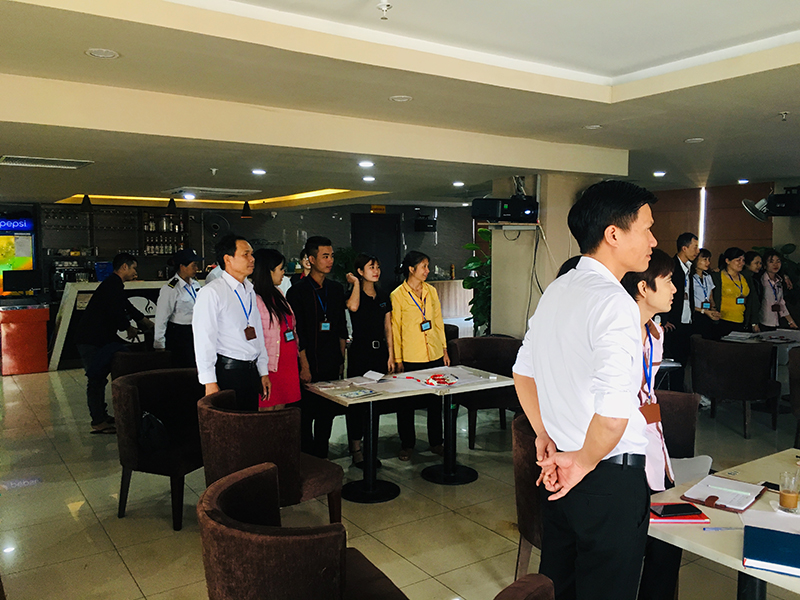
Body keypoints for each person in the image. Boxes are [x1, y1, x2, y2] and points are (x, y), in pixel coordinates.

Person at [513, 180, 657, 600]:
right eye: (646, 228)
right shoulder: (615, 303)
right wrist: (584, 461)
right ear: (613, 234)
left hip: (562, 470)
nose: (653, 240)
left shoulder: (558, 289)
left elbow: (523, 374)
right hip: (604, 476)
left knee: (560, 587)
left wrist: (545, 433)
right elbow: (612, 417)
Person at [620, 249, 683, 600]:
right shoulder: (617, 333)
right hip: (621, 452)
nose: (674, 289)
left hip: (653, 445)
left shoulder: (655, 332)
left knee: (670, 539)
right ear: (644, 288)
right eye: (668, 280)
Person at [75, 253, 153, 434]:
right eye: (133, 268)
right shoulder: (112, 285)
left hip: (97, 339)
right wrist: (128, 328)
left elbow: (126, 306)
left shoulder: (113, 284)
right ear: (124, 267)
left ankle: (102, 415)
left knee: (100, 378)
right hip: (90, 340)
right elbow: (116, 310)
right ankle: (98, 421)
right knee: (96, 379)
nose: (135, 273)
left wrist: (145, 322)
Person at [192, 234, 270, 410]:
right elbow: (204, 340)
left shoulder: (249, 290)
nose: (252, 259)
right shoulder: (212, 292)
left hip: (251, 370)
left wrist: (263, 371)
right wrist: (209, 381)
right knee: (230, 424)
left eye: (252, 254)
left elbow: (258, 332)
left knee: (250, 422)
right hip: (228, 371)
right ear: (228, 259)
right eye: (245, 254)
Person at [286, 236, 348, 458]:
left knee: (327, 412)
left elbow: (341, 327)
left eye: (331, 256)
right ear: (311, 259)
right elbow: (298, 333)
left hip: (331, 359)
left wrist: (341, 359)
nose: (330, 261)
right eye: (325, 256)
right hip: (308, 361)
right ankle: (306, 457)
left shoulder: (336, 289)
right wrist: (304, 366)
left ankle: (322, 454)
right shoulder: (297, 291)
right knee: (306, 413)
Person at [390, 251, 447, 461]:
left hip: (433, 353)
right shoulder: (398, 294)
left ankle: (436, 442)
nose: (427, 271)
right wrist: (398, 359)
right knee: (406, 403)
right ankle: (407, 444)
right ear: (411, 269)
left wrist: (444, 349)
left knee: (435, 401)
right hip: (411, 356)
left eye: (427, 266)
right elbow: (396, 329)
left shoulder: (431, 291)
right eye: (423, 266)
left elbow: (438, 321)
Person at [346, 253, 395, 467]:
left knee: (375, 401)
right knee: (357, 402)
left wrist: (391, 354)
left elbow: (388, 327)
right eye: (371, 267)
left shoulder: (383, 295)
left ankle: (371, 446)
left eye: (377, 267)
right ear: (360, 271)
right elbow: (353, 307)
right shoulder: (353, 294)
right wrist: (356, 284)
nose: (376, 271)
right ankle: (356, 448)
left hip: (379, 352)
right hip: (360, 352)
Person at [252, 248, 301, 410]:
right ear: (268, 271)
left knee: (281, 410)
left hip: (287, 361)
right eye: (280, 269)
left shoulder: (278, 293)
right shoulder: (254, 298)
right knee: (266, 408)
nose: (283, 273)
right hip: (270, 364)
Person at [153, 248, 203, 367]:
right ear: (182, 266)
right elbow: (161, 318)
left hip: (196, 331)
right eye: (193, 265)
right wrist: (159, 343)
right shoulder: (171, 289)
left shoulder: (195, 284)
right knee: (183, 368)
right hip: (180, 334)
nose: (196, 268)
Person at [661, 232, 698, 391]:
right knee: (673, 361)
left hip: (687, 320)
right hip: (674, 321)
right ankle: (674, 393)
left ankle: (681, 391)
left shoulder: (689, 268)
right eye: (694, 247)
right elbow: (661, 293)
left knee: (683, 360)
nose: (697, 251)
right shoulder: (671, 266)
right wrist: (664, 319)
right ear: (684, 248)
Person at [711, 247, 759, 338]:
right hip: (723, 320)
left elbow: (753, 300)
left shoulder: (745, 277)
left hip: (742, 321)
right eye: (738, 260)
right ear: (727, 261)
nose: (742, 263)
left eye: (743, 260)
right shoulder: (717, 277)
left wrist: (754, 322)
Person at [754, 249, 798, 331]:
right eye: (771, 261)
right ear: (764, 265)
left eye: (778, 261)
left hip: (777, 321)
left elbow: (781, 303)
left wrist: (790, 322)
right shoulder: (760, 281)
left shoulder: (780, 281)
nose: (775, 264)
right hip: (762, 321)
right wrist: (754, 323)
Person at [690, 248, 721, 339]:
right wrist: (704, 311)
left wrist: (714, 309)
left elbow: (710, 297)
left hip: (708, 312)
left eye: (709, 259)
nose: (708, 262)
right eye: (704, 259)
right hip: (695, 313)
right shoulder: (690, 277)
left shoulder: (708, 276)